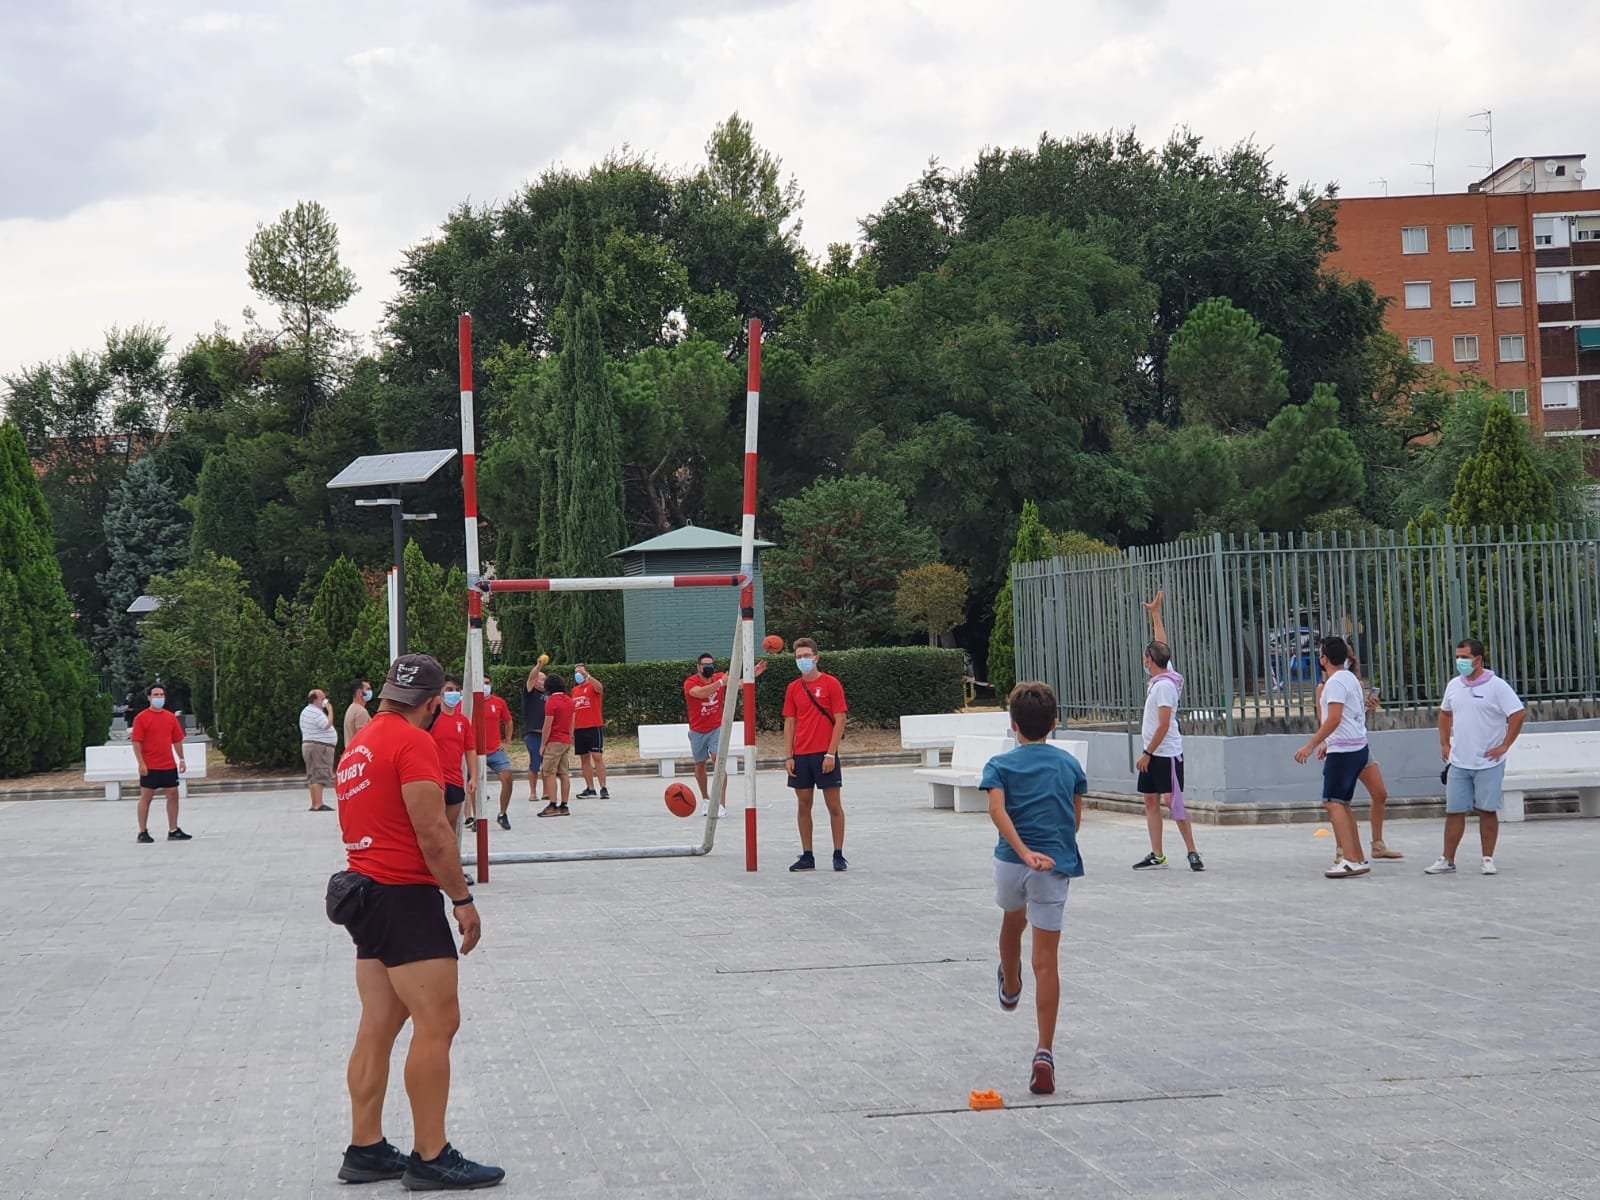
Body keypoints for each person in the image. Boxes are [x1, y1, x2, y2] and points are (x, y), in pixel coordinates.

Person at [331, 653, 503, 1191]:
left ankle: (366, 1148)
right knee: (438, 1024)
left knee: (377, 1027)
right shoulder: (415, 742)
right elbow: (432, 832)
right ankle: (431, 1156)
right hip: (405, 897)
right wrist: (462, 898)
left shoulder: (356, 747)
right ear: (432, 704)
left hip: (365, 896)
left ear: (383, 695)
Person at [984, 680, 1086, 1097]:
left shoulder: (1000, 766)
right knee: (1047, 960)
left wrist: (1023, 852)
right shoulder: (1069, 766)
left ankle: (1010, 985)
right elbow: (1074, 819)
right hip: (1054, 866)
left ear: (1013, 725)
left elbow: (995, 810)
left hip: (1011, 863)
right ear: (1055, 723)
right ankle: (1044, 1051)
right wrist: (1045, 853)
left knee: (1012, 921)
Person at [1427, 638, 1525, 876]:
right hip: (1459, 761)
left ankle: (1487, 858)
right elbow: (1444, 713)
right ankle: (1447, 859)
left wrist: (1504, 745)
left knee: (1486, 810)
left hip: (1488, 762)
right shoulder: (1454, 685)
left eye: (1465, 657)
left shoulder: (1497, 686)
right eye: (1458, 657)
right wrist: (1444, 743)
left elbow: (1518, 714)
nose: (1460, 661)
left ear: (1478, 659)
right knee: (1454, 811)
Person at [1131, 591, 1203, 872]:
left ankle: (1192, 851)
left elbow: (1164, 724)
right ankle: (1157, 853)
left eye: (1145, 657)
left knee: (1173, 801)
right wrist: (1155, 613)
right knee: (1150, 799)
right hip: (1153, 752)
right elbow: (1162, 642)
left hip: (1164, 753)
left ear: (1149, 660)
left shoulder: (1164, 687)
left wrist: (1148, 753)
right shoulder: (1165, 673)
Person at [1294, 636, 1371, 878]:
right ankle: (1357, 856)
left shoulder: (1335, 683)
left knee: (1332, 802)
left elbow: (1335, 718)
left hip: (1344, 751)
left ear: (1323, 658)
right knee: (1343, 803)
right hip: (1356, 746)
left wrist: (1312, 744)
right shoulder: (1351, 679)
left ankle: (1348, 858)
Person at [1316, 652, 1403, 861]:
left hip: (1358, 744)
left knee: (1379, 793)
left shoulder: (1353, 682)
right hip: (1340, 746)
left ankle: (1377, 844)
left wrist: (1369, 710)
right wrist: (1322, 742)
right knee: (1338, 800)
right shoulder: (1325, 686)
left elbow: (1355, 718)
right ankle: (1343, 850)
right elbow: (1327, 719)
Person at [783, 638, 849, 872]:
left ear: (816, 657)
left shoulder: (831, 683)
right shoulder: (793, 688)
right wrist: (789, 755)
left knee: (833, 804)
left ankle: (838, 853)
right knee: (803, 803)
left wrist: (830, 753)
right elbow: (790, 722)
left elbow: (840, 719)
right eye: (799, 657)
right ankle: (807, 855)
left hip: (824, 753)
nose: (803, 660)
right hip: (801, 754)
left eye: (806, 656)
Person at [684, 651, 768, 816]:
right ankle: (706, 799)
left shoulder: (720, 677)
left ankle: (720, 804)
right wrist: (720, 683)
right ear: (698, 667)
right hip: (697, 731)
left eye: (711, 664)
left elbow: (739, 684)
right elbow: (699, 693)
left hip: (716, 728)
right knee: (700, 764)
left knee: (719, 761)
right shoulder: (690, 682)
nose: (708, 667)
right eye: (705, 665)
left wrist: (753, 674)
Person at [131, 684, 189, 843]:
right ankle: (142, 832)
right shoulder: (142, 718)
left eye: (161, 695)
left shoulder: (170, 717)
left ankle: (173, 829)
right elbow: (137, 742)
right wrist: (141, 763)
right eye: (155, 695)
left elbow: (177, 740)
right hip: (150, 766)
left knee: (173, 794)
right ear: (149, 698)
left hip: (168, 765)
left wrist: (181, 759)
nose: (159, 698)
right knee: (146, 797)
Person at [431, 678, 478, 833]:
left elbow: (470, 749)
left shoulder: (463, 721)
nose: (454, 693)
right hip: (435, 780)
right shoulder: (431, 719)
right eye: (450, 689)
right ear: (441, 694)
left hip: (455, 780)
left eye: (457, 689)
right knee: (435, 825)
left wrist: (474, 777)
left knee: (450, 827)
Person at [467, 678, 513, 832]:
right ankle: (476, 817)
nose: (484, 685)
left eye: (487, 683)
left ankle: (503, 813)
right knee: (474, 783)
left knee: (507, 778)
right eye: (481, 682)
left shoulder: (498, 702)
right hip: (474, 750)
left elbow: (508, 721)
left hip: (494, 750)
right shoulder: (469, 702)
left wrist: (507, 741)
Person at [537, 673, 575, 817]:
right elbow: (572, 721)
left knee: (549, 772)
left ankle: (553, 804)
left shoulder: (551, 702)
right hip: (565, 740)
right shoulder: (569, 701)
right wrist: (569, 737)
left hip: (554, 740)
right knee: (564, 773)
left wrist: (542, 744)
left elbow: (548, 725)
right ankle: (564, 805)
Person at [571, 663, 609, 799]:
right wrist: (571, 731)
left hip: (593, 726)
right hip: (579, 728)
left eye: (580, 671)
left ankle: (603, 787)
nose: (578, 674)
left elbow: (600, 688)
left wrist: (588, 676)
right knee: (584, 758)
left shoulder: (592, 686)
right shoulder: (574, 690)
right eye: (576, 672)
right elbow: (573, 711)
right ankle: (590, 788)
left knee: (597, 756)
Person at [299, 689, 339, 813]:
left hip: (312, 746)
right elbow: (327, 724)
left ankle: (315, 803)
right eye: (323, 698)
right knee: (318, 774)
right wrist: (330, 709)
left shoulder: (308, 711)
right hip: (318, 747)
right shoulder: (315, 712)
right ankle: (318, 804)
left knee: (313, 775)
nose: (325, 700)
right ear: (316, 700)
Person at [521, 664, 548, 818]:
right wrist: (539, 666)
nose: (543, 681)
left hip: (548, 735)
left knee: (547, 765)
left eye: (545, 679)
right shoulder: (530, 692)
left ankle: (546, 791)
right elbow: (531, 678)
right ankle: (533, 792)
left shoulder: (549, 695)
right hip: (534, 734)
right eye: (540, 678)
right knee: (534, 764)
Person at [344, 679, 373, 748]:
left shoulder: (352, 708)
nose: (370, 692)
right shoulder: (361, 711)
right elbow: (362, 737)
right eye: (368, 689)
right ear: (360, 692)